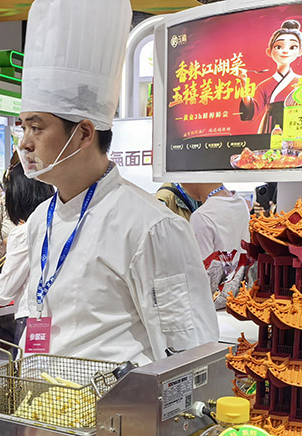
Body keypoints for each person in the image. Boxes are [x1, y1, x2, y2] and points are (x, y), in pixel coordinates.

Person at [16, 0, 217, 363]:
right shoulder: (39, 218)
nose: (25, 143)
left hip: (116, 411)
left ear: (83, 133)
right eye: (23, 127)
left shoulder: (151, 225)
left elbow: (190, 345)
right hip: (42, 403)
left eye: (37, 127)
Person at [0, 163, 55, 345]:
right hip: (60, 316)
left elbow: (3, 293)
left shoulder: (24, 232)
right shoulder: (60, 223)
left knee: (28, 371)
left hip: (32, 317)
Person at [239, 19, 302, 134]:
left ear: (300, 51)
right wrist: (244, 84)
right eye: (278, 47)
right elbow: (252, 110)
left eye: (292, 47)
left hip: (296, 124)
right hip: (271, 126)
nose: (285, 51)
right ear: (269, 51)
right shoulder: (264, 85)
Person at [189, 184, 251, 263]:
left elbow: (203, 269)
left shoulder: (201, 215)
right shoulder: (241, 202)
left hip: (221, 274)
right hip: (242, 272)